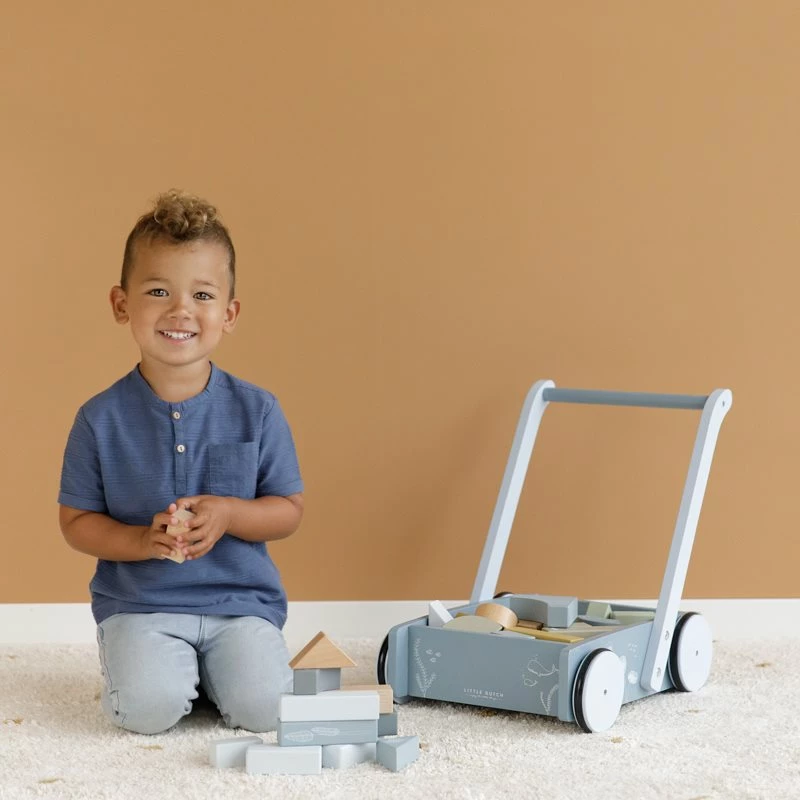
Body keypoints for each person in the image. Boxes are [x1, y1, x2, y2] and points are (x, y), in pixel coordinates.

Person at [58, 190, 304, 735]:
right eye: (158, 291)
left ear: (228, 313)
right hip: (140, 607)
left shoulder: (259, 410)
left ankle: (215, 674)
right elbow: (76, 522)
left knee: (266, 711)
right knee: (145, 712)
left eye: (202, 294)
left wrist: (229, 514)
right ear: (121, 304)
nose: (180, 310)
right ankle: (168, 673)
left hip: (240, 606)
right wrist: (142, 541)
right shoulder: (98, 419)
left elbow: (288, 510)